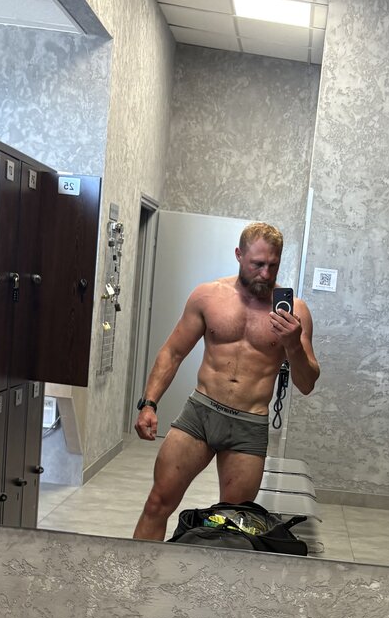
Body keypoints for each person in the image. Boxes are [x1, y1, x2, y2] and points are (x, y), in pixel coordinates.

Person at [132, 221, 320, 541]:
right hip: (200, 414)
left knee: (232, 528)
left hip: (249, 426)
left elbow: (307, 382)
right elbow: (173, 353)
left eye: (273, 265)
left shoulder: (295, 312)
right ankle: (138, 572)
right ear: (238, 255)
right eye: (257, 264)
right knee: (157, 503)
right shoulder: (207, 296)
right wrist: (149, 403)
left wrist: (293, 344)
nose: (265, 273)